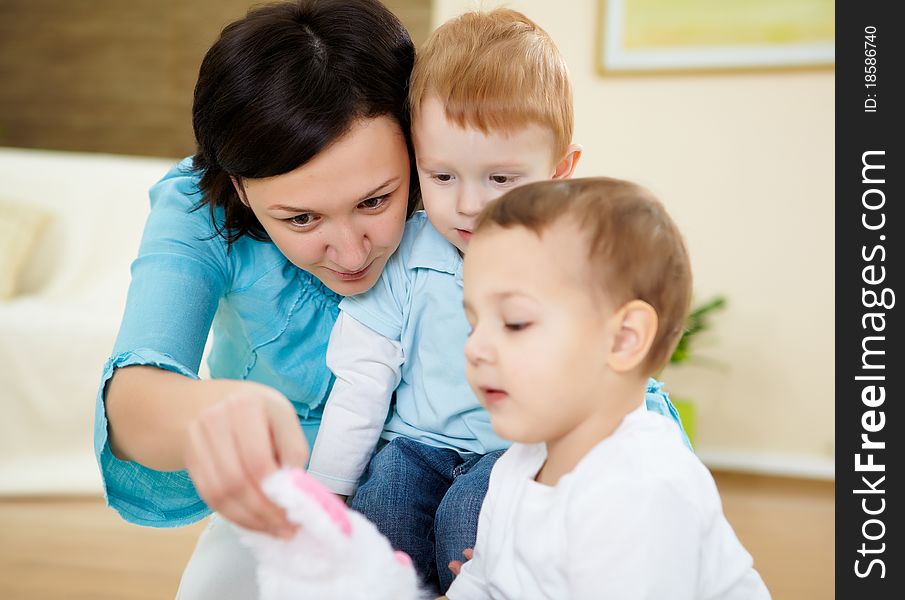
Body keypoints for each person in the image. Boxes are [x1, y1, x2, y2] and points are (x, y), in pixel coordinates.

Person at [305, 9, 689, 594]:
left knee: (478, 521)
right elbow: (361, 378)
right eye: (441, 176)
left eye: (502, 180)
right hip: (416, 446)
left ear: (561, 173)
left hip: (517, 451)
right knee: (380, 505)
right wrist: (325, 494)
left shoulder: (577, 263)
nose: (467, 206)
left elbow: (617, 378)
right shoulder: (406, 257)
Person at [92, 1, 418, 598]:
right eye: (300, 218)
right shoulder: (199, 209)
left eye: (375, 201)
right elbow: (134, 395)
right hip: (296, 495)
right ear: (239, 188)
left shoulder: (460, 189)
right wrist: (213, 414)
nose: (349, 254)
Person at [445, 178, 771, 599]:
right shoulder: (517, 465)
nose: (474, 348)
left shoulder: (644, 488)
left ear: (623, 340)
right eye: (473, 324)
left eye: (514, 322)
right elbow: (480, 584)